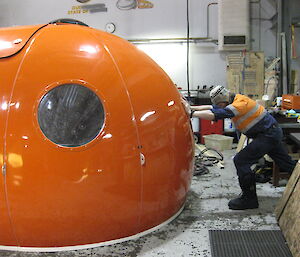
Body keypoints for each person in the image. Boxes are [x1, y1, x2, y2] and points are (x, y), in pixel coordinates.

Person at [183, 85, 296, 210]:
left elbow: (216, 114)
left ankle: (249, 199)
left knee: (241, 160)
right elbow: (211, 108)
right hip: (271, 133)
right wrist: (191, 107)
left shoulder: (239, 104)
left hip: (267, 135)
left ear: (224, 100)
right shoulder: (232, 100)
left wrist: (192, 113)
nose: (219, 106)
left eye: (220, 104)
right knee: (286, 163)